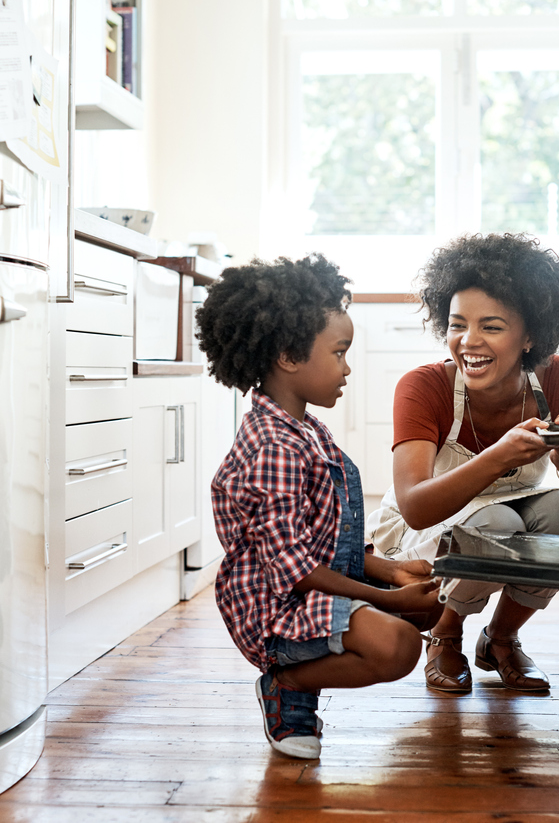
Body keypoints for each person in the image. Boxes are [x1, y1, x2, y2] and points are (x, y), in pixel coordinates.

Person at [197, 253, 444, 760]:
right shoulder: (274, 447)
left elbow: (326, 536)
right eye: (339, 352)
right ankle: (286, 687)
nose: (347, 367)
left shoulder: (305, 429)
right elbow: (294, 567)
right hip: (276, 609)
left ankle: (305, 675)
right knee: (399, 646)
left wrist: (392, 573)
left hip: (311, 585)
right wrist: (389, 600)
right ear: (289, 355)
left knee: (431, 605)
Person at [366, 234, 559, 694]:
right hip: (430, 524)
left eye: (491, 326)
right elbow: (416, 507)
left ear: (530, 336)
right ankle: (445, 634)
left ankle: (500, 639)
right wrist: (499, 455)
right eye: (457, 324)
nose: (468, 342)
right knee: (494, 520)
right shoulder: (423, 387)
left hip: (519, 505)